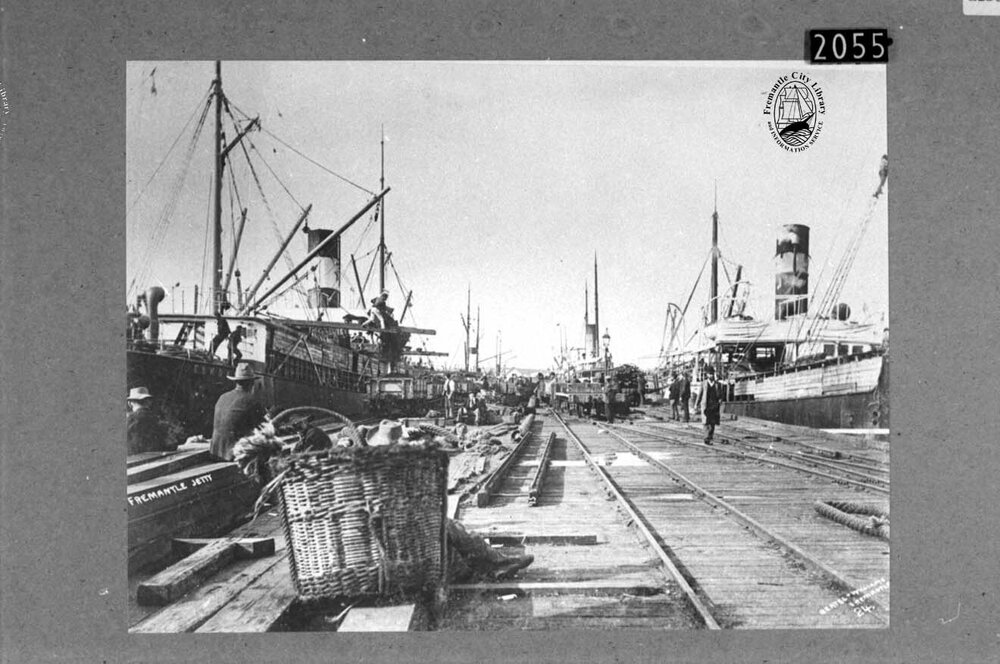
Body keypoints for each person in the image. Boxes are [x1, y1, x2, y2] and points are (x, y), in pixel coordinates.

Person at [210, 362, 267, 460]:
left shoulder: (222, 397)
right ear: (252, 383)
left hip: (216, 451)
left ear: (236, 382)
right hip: (235, 454)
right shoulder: (252, 401)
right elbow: (264, 428)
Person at [126, 386, 172, 455]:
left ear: (129, 403)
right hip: (157, 460)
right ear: (149, 402)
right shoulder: (157, 419)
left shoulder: (127, 421)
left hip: (134, 462)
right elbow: (169, 444)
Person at [696, 367, 722, 445]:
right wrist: (696, 404)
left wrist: (720, 400)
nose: (711, 376)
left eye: (712, 374)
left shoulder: (717, 384)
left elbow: (720, 395)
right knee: (705, 422)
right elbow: (699, 394)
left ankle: (710, 437)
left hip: (714, 406)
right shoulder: (704, 383)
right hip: (705, 405)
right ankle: (706, 438)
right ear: (707, 375)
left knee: (712, 423)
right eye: (709, 374)